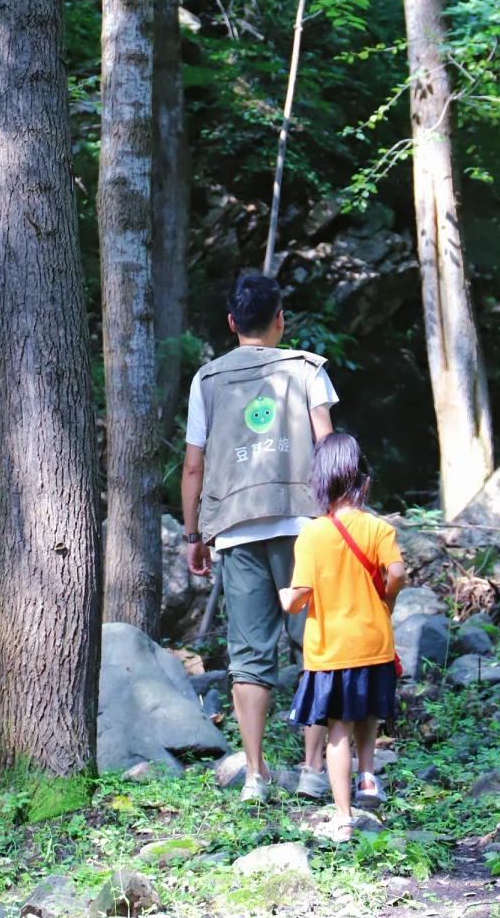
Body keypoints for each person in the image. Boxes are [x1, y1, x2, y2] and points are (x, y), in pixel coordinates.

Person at [182, 272, 337, 803]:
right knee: (315, 645)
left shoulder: (208, 380)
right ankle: (316, 769)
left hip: (235, 529)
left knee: (249, 654)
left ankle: (254, 775)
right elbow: (327, 445)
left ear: (231, 323)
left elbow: (193, 468)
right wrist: (339, 516)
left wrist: (192, 534)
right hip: (305, 525)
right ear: (280, 321)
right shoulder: (306, 369)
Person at [279, 431, 406, 844]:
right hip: (374, 642)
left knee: (337, 730)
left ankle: (344, 816)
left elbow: (299, 599)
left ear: (321, 483)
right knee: (367, 714)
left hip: (331, 650)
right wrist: (385, 600)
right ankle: (368, 778)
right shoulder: (377, 528)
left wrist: (285, 598)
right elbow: (398, 573)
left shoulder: (312, 535)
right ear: (362, 482)